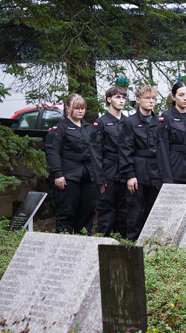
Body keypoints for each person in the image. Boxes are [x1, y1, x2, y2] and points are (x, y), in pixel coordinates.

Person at [119, 85, 173, 240]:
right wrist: (129, 174)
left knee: (156, 211)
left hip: (157, 171)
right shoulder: (130, 122)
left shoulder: (160, 121)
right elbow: (125, 150)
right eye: (147, 98)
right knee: (136, 212)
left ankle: (155, 247)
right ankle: (133, 245)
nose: (151, 101)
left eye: (154, 98)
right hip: (139, 171)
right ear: (138, 99)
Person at [45, 94, 98, 233]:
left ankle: (84, 243)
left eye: (83, 108)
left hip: (88, 176)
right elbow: (52, 152)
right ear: (68, 109)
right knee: (67, 211)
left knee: (87, 211)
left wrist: (98, 175)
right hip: (68, 176)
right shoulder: (59, 129)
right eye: (77, 108)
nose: (80, 111)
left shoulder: (90, 128)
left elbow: (96, 151)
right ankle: (64, 244)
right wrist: (58, 174)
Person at [92, 85, 130, 237]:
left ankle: (123, 246)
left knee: (124, 213)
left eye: (123, 98)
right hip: (108, 172)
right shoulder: (100, 122)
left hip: (125, 172)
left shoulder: (128, 122)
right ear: (109, 100)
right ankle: (102, 246)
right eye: (117, 97)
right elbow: (95, 151)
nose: (121, 101)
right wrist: (100, 177)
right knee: (106, 215)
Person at [161, 81, 186, 184]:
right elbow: (162, 148)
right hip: (175, 166)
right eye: (181, 95)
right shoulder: (166, 117)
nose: (185, 98)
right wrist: (167, 177)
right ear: (173, 97)